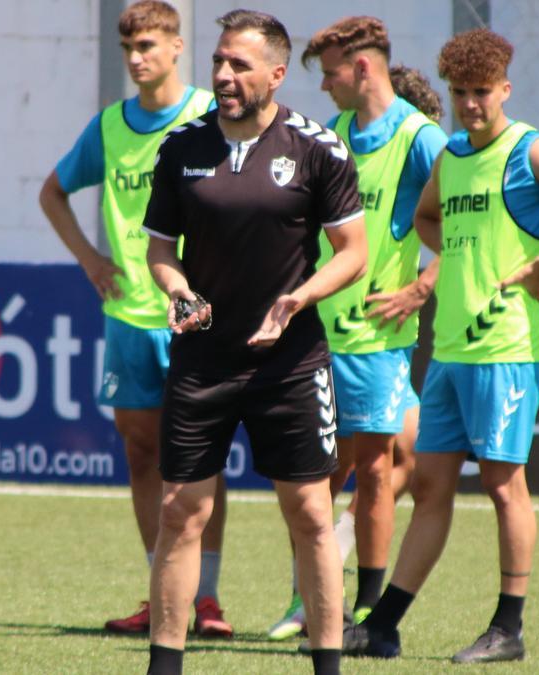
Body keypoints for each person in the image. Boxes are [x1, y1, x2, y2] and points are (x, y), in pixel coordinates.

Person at [343, 28, 539, 663]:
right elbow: (426, 218)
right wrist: (457, 259)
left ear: (505, 88)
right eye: (460, 92)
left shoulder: (533, 152)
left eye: (481, 91)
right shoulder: (450, 154)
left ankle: (509, 628)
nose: (471, 103)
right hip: (451, 350)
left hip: (507, 348)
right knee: (431, 488)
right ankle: (384, 625)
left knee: (505, 487)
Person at [142, 10, 367, 675]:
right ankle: (164, 665)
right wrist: (178, 290)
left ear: (274, 72)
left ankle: (326, 663)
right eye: (217, 62)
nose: (223, 75)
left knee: (309, 512)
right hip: (202, 360)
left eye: (239, 65)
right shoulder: (180, 148)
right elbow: (160, 249)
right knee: (182, 511)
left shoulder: (318, 147)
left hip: (291, 363)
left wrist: (301, 297)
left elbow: (353, 251)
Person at [37, 0, 232, 638]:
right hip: (128, 318)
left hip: (197, 317)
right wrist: (91, 258)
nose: (137, 58)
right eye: (129, 48)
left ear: (178, 47)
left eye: (149, 45)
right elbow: (53, 191)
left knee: (200, 458)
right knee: (142, 453)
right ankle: (161, 594)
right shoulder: (109, 127)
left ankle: (205, 599)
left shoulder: (213, 114)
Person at [267, 17, 449, 641]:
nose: (326, 88)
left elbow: (468, 227)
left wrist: (422, 287)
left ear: (362, 67)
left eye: (331, 73)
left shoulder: (422, 138)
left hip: (374, 336)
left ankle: (369, 611)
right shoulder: (330, 135)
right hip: (314, 329)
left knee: (373, 467)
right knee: (312, 470)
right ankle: (311, 600)